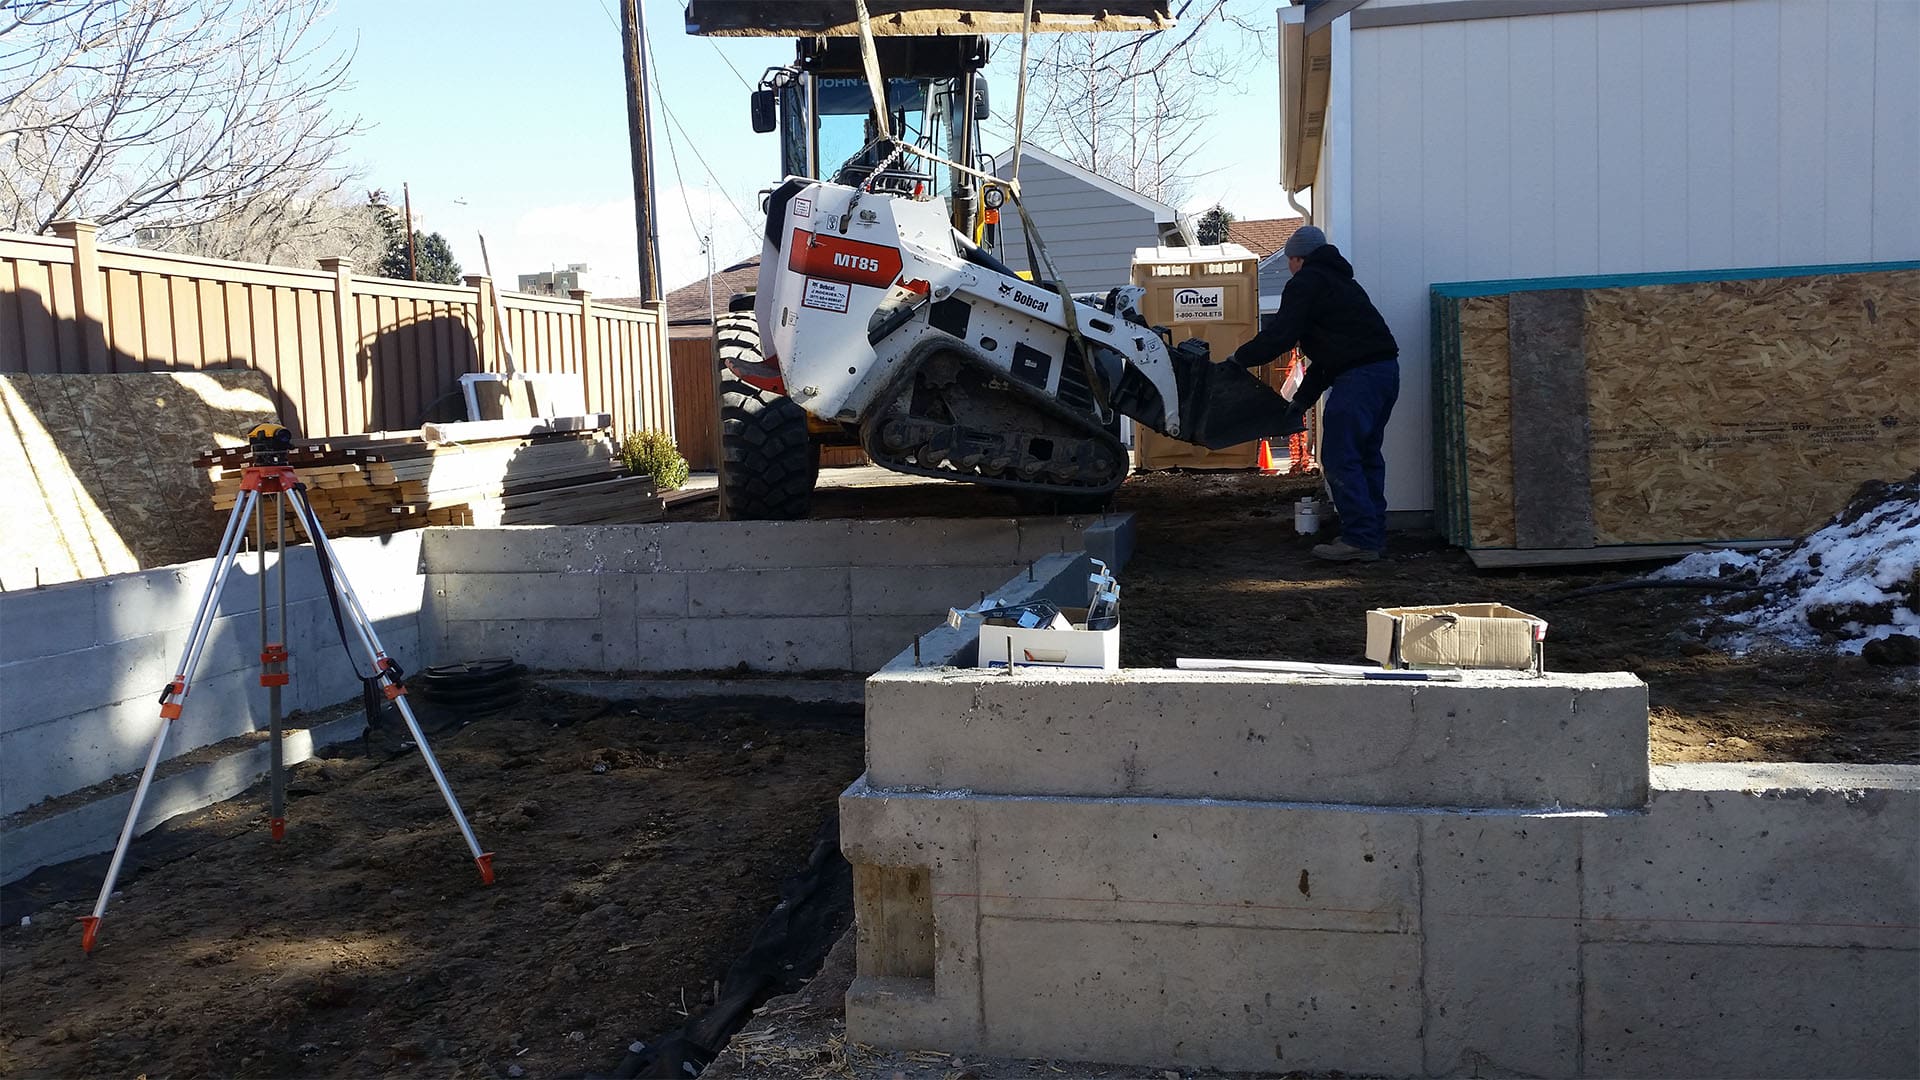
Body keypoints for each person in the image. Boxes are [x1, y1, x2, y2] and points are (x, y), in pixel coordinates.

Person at [1228, 226, 1400, 562]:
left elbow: (1281, 334)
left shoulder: (1306, 283)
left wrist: (1239, 360)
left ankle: (1361, 540)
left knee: (1340, 455)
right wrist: (1302, 401)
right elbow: (1328, 360)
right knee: (1364, 455)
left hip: (1359, 379)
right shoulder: (1343, 285)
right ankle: (1371, 534)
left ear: (1296, 258)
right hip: (1383, 374)